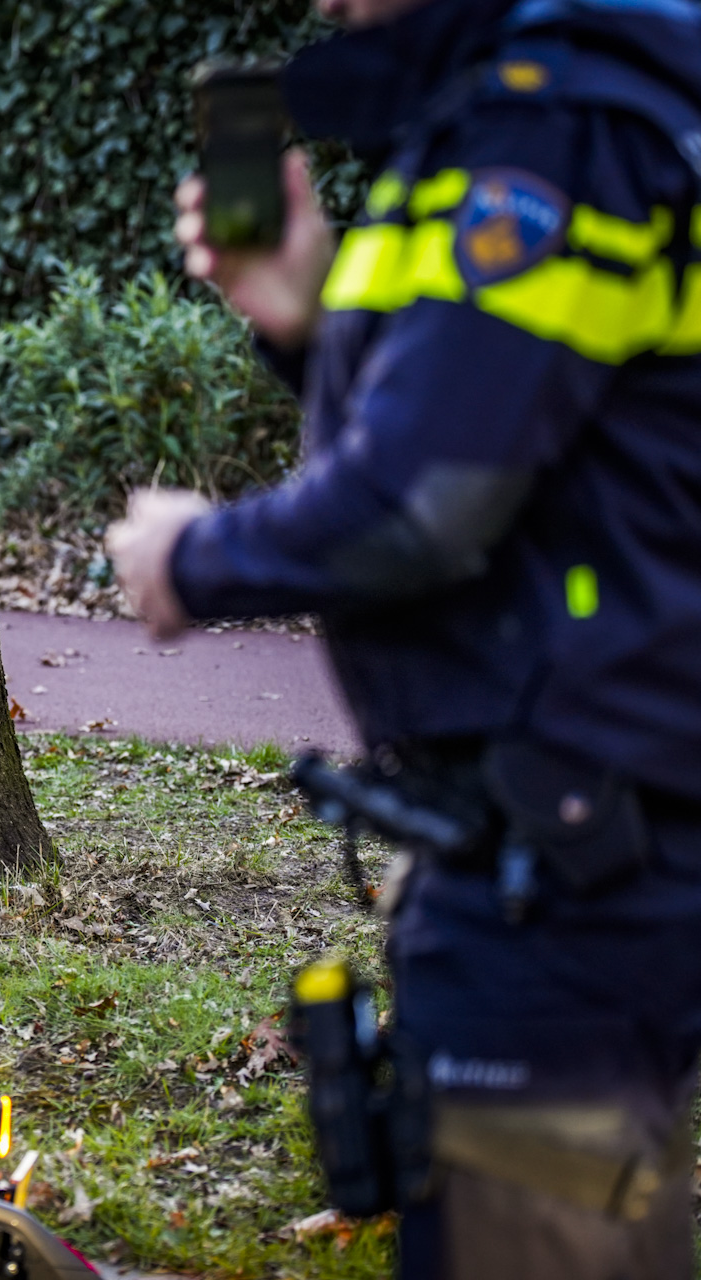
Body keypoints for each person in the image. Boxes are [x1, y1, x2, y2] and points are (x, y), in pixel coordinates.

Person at [108, 0, 701, 1275]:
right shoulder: (518, 108)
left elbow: (427, 507)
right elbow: (509, 444)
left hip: (580, 856)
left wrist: (191, 559)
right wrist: (301, 314)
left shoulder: (556, 127)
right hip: (554, 831)